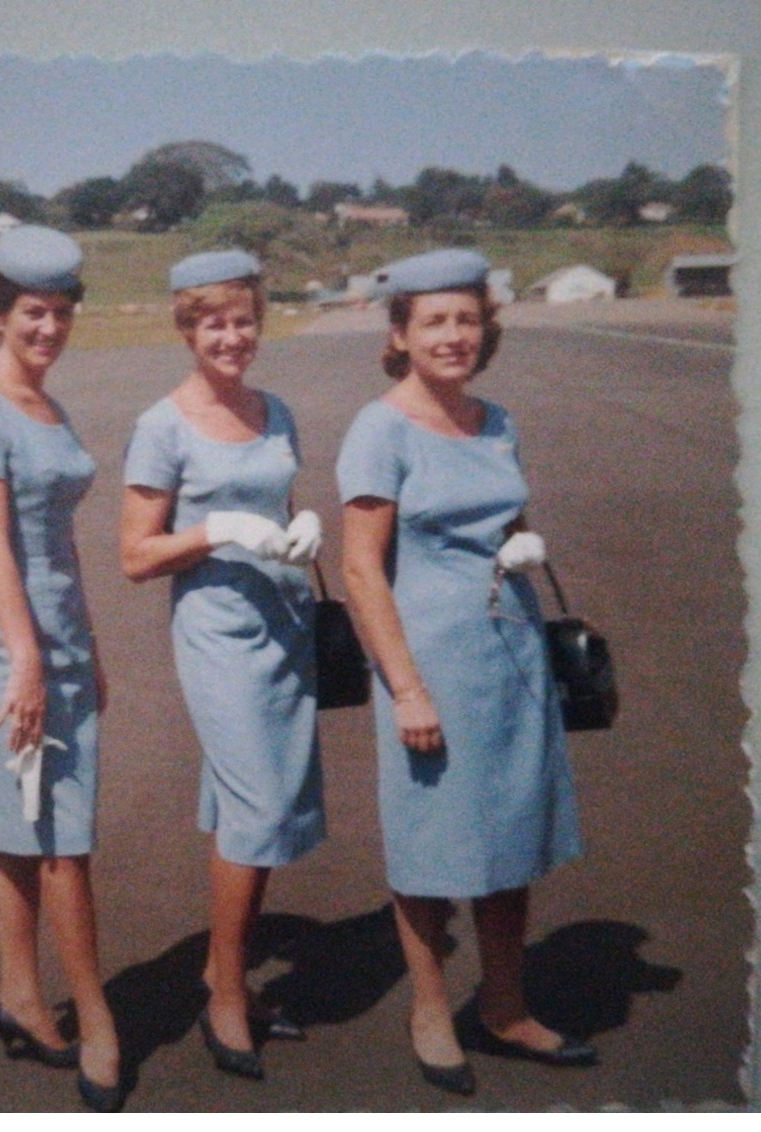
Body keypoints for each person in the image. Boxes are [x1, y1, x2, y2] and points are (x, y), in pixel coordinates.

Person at [336, 248, 593, 1097]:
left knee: (512, 831)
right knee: (431, 841)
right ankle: (433, 1008)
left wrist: (521, 544)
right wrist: (405, 685)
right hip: (430, 663)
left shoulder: (497, 421)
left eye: (467, 319)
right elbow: (363, 570)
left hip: (512, 655)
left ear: (486, 329)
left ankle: (507, 1004)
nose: (454, 336)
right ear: (401, 334)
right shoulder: (380, 429)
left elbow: (508, 520)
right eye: (435, 321)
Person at [120, 250, 325, 1082]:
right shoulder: (161, 425)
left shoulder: (276, 412)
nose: (232, 336)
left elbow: (280, 501)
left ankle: (221, 970)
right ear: (187, 328)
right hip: (219, 635)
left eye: (244, 320)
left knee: (258, 801)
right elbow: (135, 555)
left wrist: (299, 525)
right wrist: (218, 532)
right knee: (259, 806)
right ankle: (228, 997)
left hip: (287, 624)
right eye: (214, 323)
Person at [0, 225, 122, 1112]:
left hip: (58, 639)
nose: (48, 328)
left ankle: (18, 997)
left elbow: (61, 548)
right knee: (61, 840)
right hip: (5, 643)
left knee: (24, 827)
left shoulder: (49, 406)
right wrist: (28, 664)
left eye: (59, 313)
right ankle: (98, 1024)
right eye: (31, 314)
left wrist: (87, 646)